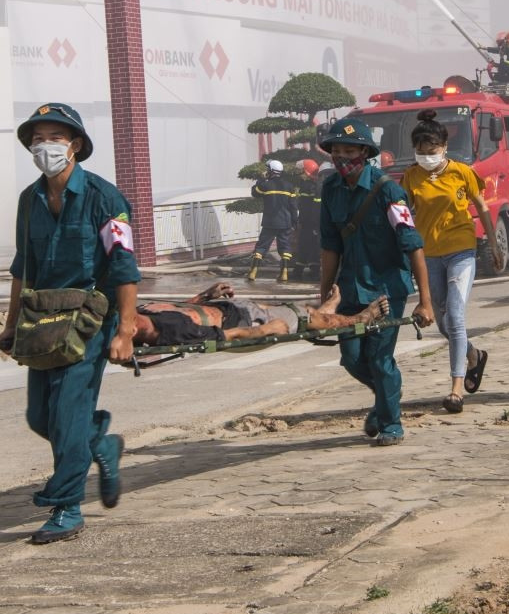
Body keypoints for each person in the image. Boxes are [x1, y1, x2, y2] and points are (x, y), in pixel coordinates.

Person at [0, 103, 139, 545]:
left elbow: (124, 265)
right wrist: (10, 322)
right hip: (41, 324)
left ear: (75, 145)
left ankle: (67, 507)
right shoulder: (29, 200)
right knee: (41, 417)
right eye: (38, 139)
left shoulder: (105, 198)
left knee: (66, 412)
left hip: (89, 324)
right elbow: (24, 265)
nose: (45, 147)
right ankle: (100, 442)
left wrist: (126, 329)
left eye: (55, 138)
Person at [316, 117, 435, 446]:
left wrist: (425, 301)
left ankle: (391, 421)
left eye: (348, 150)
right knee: (352, 358)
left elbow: (413, 245)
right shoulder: (330, 189)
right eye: (335, 151)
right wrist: (325, 295)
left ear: (364, 152)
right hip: (350, 290)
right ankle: (387, 398)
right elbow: (329, 246)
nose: (341, 157)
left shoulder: (389, 192)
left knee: (381, 360)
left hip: (387, 290)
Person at [403, 109, 504, 414]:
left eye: (431, 151)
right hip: (428, 255)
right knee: (444, 322)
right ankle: (474, 357)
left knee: (456, 318)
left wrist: (494, 244)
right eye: (420, 151)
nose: (426, 156)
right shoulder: (410, 176)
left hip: (461, 249)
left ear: (444, 147)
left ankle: (456, 389)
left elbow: (482, 206)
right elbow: (405, 215)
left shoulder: (462, 172)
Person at [132, 282, 389, 347]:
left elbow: (179, 307)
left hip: (233, 307)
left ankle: (324, 310)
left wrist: (204, 295)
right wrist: (264, 331)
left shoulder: (142, 311)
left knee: (295, 310)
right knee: (304, 319)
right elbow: (222, 336)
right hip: (242, 320)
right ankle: (360, 319)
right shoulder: (169, 331)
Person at [248, 159, 299, 282]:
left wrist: (260, 180)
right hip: (285, 223)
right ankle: (284, 274)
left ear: (270, 171)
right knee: (285, 247)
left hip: (269, 222)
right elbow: (293, 206)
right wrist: (294, 222)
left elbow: (255, 193)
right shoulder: (289, 186)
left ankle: (253, 272)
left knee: (262, 246)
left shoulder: (266, 185)